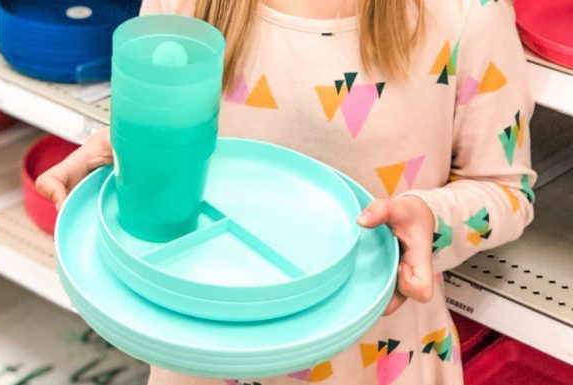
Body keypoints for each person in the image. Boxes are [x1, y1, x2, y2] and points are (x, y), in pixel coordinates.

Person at [37, 0, 536, 383]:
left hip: (378, 359)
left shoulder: (467, 13)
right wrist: (125, 150)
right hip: (202, 349)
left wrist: (430, 218)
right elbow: (173, 128)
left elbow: (506, 189)